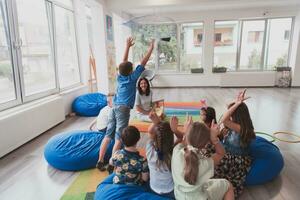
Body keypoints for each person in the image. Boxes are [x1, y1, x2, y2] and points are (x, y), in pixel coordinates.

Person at [96, 37, 154, 171]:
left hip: (114, 107)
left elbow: (123, 63)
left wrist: (127, 46)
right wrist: (150, 48)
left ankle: (100, 161)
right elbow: (144, 61)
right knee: (118, 138)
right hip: (123, 110)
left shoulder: (119, 76)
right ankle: (111, 164)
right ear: (131, 70)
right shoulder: (133, 77)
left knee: (107, 135)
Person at [170, 117, 234, 200]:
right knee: (227, 185)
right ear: (206, 144)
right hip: (201, 197)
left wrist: (185, 131)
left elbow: (184, 142)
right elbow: (221, 153)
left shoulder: (176, 151)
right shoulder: (205, 163)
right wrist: (214, 139)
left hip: (179, 197)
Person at [210, 89, 255, 197]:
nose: (229, 114)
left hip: (235, 160)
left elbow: (224, 119)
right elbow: (227, 111)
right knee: (207, 149)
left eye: (231, 112)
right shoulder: (234, 126)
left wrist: (238, 103)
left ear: (236, 115)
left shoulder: (242, 128)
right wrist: (236, 101)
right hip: (227, 152)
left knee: (210, 166)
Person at [146, 112, 179, 199]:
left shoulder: (150, 149)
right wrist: (175, 130)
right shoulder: (175, 152)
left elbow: (150, 132)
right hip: (170, 191)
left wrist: (156, 122)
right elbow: (181, 138)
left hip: (153, 189)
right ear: (171, 138)